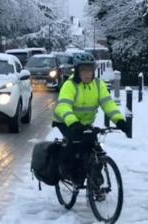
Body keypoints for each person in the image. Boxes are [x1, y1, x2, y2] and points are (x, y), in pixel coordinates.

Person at [52, 52, 129, 185]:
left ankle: (94, 183)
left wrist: (119, 120)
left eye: (90, 70)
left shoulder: (98, 85)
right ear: (77, 71)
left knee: (95, 148)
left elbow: (108, 104)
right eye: (83, 70)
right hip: (65, 122)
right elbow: (63, 106)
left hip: (85, 123)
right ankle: (67, 170)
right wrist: (73, 122)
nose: (88, 74)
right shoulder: (69, 85)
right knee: (76, 144)